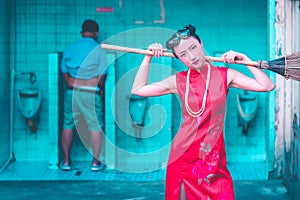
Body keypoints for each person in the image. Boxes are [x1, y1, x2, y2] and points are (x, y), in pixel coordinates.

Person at [131, 24, 274, 199]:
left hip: (213, 155)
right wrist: (147, 57)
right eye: (183, 54)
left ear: (201, 44)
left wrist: (244, 59)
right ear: (179, 59)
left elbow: (267, 86)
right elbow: (138, 89)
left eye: (193, 48)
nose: (191, 56)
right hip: (183, 155)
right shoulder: (178, 80)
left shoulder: (225, 75)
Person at [59, 19, 107, 171]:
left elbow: (64, 71)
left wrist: (72, 81)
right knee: (95, 127)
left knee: (68, 126)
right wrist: (102, 93)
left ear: (81, 33)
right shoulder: (99, 49)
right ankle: (95, 163)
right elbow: (102, 77)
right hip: (90, 93)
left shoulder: (70, 48)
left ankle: (66, 162)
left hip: (71, 92)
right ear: (96, 33)